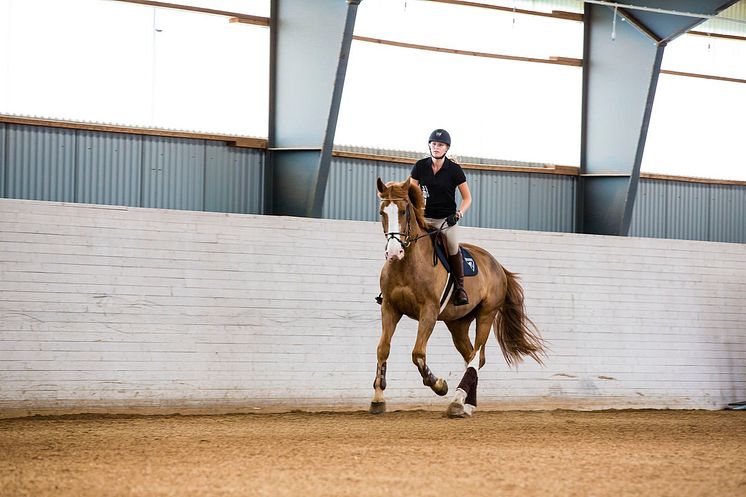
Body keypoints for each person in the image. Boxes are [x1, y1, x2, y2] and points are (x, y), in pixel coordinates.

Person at [410, 129, 472, 306]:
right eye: (434, 144)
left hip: (445, 220)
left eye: (440, 145)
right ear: (429, 145)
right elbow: (410, 191)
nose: (436, 147)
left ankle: (460, 288)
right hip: (422, 218)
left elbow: (467, 198)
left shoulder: (454, 170)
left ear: (447, 148)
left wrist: (458, 214)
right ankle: (389, 286)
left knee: (452, 246)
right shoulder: (420, 166)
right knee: (402, 240)